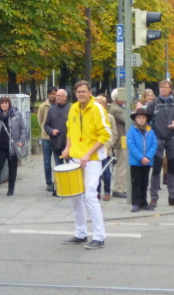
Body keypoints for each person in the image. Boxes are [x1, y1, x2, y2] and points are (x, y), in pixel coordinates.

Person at [61, 81, 111, 250]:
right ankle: (80, 233)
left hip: (93, 158)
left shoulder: (97, 108)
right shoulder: (73, 108)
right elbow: (70, 131)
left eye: (84, 91)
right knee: (75, 195)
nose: (81, 94)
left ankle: (99, 236)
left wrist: (88, 154)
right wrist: (67, 148)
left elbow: (105, 134)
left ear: (90, 92)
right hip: (76, 157)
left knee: (90, 194)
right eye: (78, 92)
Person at [145, 80, 174, 208]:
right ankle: (154, 197)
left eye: (165, 87)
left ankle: (173, 197)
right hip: (157, 137)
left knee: (172, 168)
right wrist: (150, 134)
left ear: (170, 89)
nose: (163, 89)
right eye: (161, 87)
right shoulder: (153, 103)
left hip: (173, 138)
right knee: (156, 168)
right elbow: (146, 121)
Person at [0, 96, 28, 197]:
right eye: (2, 103)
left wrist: (21, 141)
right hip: (0, 146)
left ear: (9, 104)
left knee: (12, 168)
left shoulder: (17, 114)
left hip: (12, 146)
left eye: (6, 103)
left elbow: (23, 129)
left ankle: (11, 189)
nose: (4, 105)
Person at [127, 108, 157, 213]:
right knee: (136, 183)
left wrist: (148, 157)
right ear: (135, 119)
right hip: (136, 162)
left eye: (143, 118)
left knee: (144, 183)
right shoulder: (132, 131)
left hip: (147, 162)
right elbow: (131, 146)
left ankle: (144, 202)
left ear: (146, 119)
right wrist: (141, 158)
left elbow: (154, 145)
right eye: (139, 117)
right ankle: (136, 203)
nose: (141, 120)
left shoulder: (150, 131)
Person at [44, 89, 70, 196]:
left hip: (68, 143)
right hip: (56, 143)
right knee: (59, 166)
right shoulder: (51, 109)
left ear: (65, 97)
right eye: (57, 95)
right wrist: (51, 131)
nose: (58, 97)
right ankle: (59, 188)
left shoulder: (70, 109)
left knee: (70, 166)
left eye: (60, 95)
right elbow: (46, 125)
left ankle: (70, 187)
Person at [94, 95, 118, 201]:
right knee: (96, 172)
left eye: (100, 103)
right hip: (94, 150)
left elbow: (114, 133)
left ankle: (107, 191)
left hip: (106, 149)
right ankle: (97, 191)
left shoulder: (109, 117)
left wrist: (109, 145)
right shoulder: (92, 117)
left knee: (106, 172)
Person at [107, 88, 128, 199]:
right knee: (121, 166)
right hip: (120, 141)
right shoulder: (116, 109)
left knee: (123, 165)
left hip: (122, 140)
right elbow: (128, 121)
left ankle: (121, 188)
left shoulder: (117, 108)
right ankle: (118, 189)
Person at [37, 88, 56, 192]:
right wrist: (45, 131)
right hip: (46, 137)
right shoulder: (43, 106)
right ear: (49, 95)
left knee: (58, 160)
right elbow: (40, 121)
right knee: (47, 161)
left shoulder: (58, 105)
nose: (54, 96)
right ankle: (49, 182)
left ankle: (59, 181)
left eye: (55, 94)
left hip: (57, 137)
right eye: (52, 94)